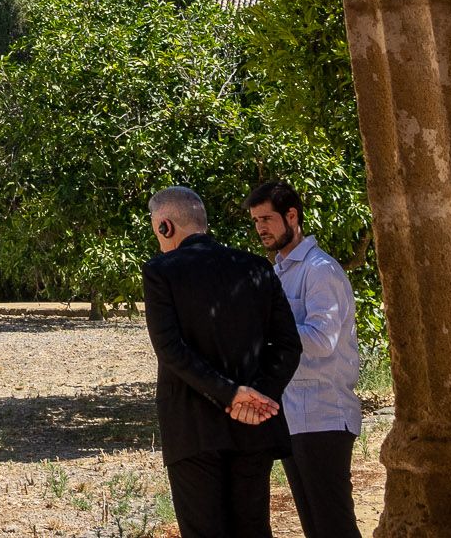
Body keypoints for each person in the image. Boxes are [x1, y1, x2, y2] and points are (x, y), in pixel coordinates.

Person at [141, 184, 302, 538]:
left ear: (165, 226)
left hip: (192, 428)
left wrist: (231, 395)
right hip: (253, 427)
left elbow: (170, 349)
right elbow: (289, 345)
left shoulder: (160, 271)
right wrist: (259, 397)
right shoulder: (257, 267)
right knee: (253, 528)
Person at [249, 181, 364, 538]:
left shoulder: (320, 270)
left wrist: (268, 329)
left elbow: (323, 340)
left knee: (334, 526)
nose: (261, 228)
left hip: (324, 416)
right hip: (293, 418)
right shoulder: (280, 271)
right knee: (316, 528)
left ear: (292, 215)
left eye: (267, 218)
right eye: (255, 221)